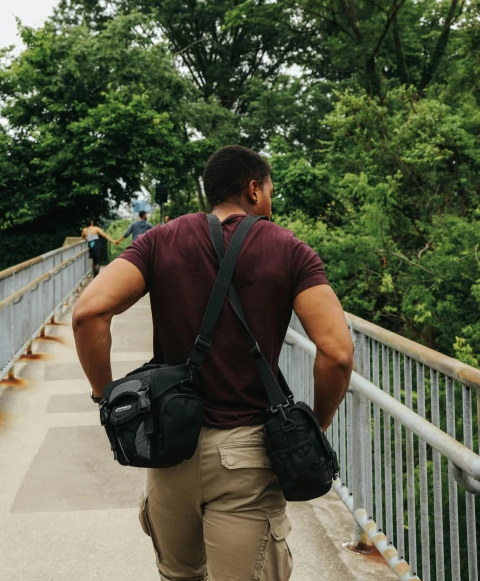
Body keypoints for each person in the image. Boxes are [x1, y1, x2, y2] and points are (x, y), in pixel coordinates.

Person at [72, 145, 354, 581]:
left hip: (170, 449)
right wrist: (319, 420)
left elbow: (89, 313)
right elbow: (336, 352)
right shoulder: (290, 250)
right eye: (270, 190)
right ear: (254, 189)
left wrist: (103, 394)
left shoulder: (161, 239)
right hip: (248, 456)